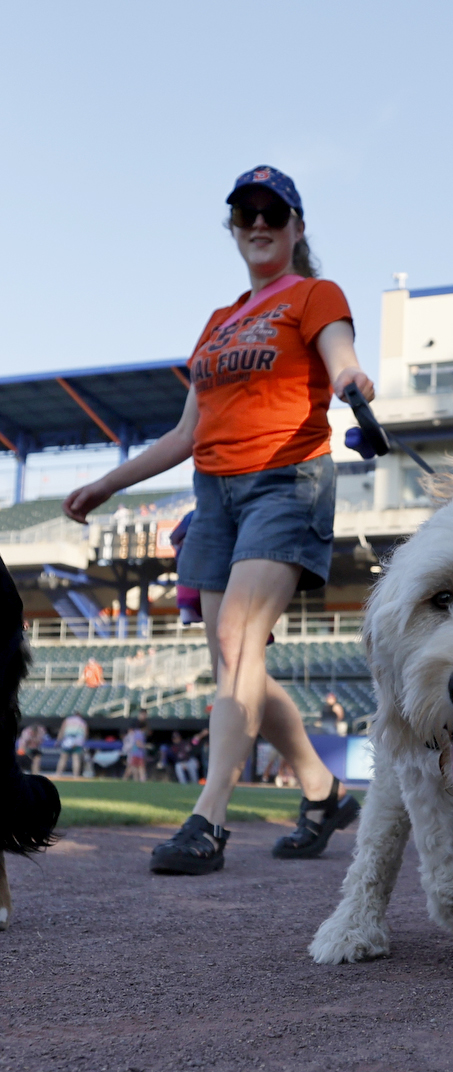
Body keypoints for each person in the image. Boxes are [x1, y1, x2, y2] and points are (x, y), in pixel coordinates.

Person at [62, 165, 368, 875]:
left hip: (284, 481)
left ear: (295, 227)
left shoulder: (316, 293)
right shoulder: (218, 321)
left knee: (236, 642)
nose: (257, 223)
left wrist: (352, 378)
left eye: (272, 211)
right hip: (214, 494)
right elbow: (182, 434)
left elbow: (340, 353)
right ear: (232, 228)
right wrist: (108, 482)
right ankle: (323, 793)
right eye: (243, 213)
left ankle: (209, 819)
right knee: (236, 666)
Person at [55, 713, 88, 779]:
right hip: (77, 741)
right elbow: (85, 733)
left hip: (67, 741)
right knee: (76, 759)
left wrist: (58, 741)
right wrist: (82, 742)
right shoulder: (82, 721)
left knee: (63, 758)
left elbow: (62, 730)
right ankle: (75, 775)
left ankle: (58, 774)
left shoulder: (67, 720)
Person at [122, 715, 150, 783]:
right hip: (136, 753)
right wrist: (146, 746)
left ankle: (141, 780)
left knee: (138, 767)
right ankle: (132, 780)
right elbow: (138, 744)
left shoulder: (138, 733)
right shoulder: (138, 733)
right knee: (133, 768)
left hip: (137, 753)